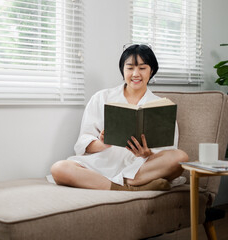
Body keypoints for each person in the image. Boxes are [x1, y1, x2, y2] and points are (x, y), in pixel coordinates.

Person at [49, 44, 189, 191]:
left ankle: (131, 180)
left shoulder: (161, 105)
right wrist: (103, 143)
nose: (135, 74)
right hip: (103, 163)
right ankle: (127, 188)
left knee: (181, 158)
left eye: (142, 68)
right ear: (123, 70)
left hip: (141, 167)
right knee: (59, 168)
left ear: (151, 71)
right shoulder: (101, 97)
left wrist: (147, 154)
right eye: (130, 68)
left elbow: (168, 150)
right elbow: (83, 141)